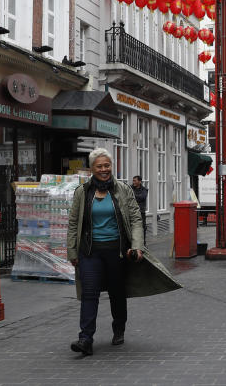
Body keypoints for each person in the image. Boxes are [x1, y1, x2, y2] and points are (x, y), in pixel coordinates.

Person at [67, 148, 181, 356]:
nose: (104, 169)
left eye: (107, 165)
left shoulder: (123, 190)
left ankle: (118, 327)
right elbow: (73, 223)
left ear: (111, 166)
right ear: (92, 168)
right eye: (99, 166)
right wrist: (72, 252)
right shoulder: (82, 192)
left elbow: (136, 219)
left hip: (116, 251)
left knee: (116, 292)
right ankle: (85, 338)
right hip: (90, 252)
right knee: (89, 294)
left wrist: (137, 245)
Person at [131, 175, 149, 241]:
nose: (133, 182)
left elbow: (142, 197)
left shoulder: (144, 190)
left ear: (140, 181)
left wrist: (132, 196)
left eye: (135, 181)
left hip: (141, 212)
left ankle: (143, 244)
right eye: (133, 180)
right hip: (132, 211)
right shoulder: (130, 188)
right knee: (132, 228)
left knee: (142, 228)